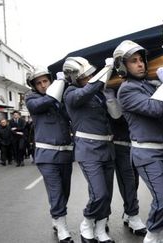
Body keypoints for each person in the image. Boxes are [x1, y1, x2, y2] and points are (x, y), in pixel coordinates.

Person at [115, 40, 163, 243]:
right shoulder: (127, 90)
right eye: (134, 61)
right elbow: (156, 109)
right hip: (147, 154)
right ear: (123, 66)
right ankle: (151, 237)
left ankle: (158, 236)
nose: (140, 64)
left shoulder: (147, 85)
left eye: (141, 60)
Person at [63, 56, 116, 243]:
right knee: (99, 193)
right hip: (88, 149)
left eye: (91, 74)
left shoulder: (96, 93)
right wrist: (107, 69)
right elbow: (87, 91)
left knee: (107, 194)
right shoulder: (71, 93)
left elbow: (115, 115)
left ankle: (100, 229)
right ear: (75, 78)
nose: (91, 77)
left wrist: (109, 96)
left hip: (107, 148)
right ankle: (87, 222)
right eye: (86, 75)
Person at [25, 67, 74, 243]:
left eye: (45, 81)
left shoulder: (59, 98)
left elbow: (71, 116)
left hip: (65, 154)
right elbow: (40, 104)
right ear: (34, 86)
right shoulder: (31, 98)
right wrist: (58, 86)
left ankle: (56, 217)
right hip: (46, 155)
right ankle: (62, 225)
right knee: (56, 191)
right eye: (39, 83)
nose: (43, 85)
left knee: (65, 191)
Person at [105, 88, 147, 236]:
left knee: (134, 182)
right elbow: (116, 115)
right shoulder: (110, 92)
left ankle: (129, 213)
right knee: (127, 182)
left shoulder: (130, 89)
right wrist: (111, 96)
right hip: (120, 145)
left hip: (134, 145)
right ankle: (132, 215)